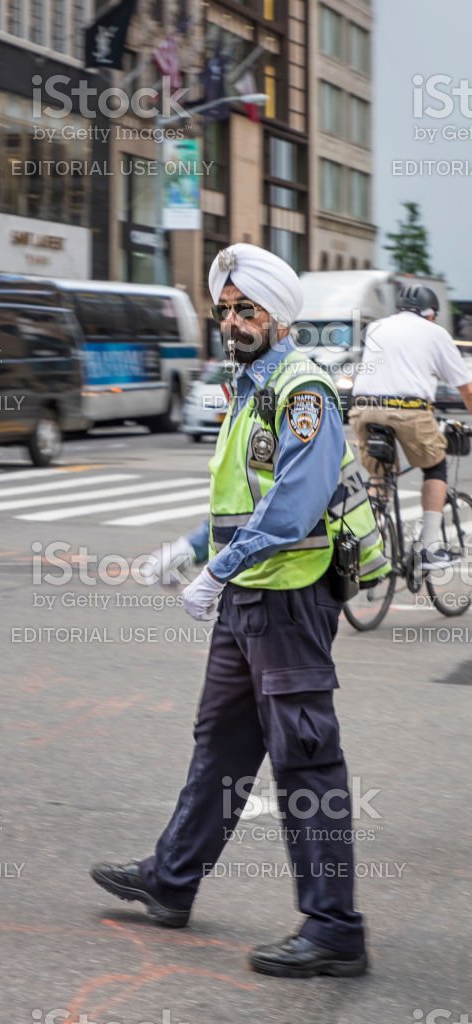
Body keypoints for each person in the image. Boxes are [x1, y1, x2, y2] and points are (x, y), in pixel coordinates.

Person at [90, 244, 389, 979]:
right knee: (221, 744)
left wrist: (215, 571)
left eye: (246, 308)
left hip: (288, 594)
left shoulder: (301, 386)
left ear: (277, 315)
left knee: (306, 759)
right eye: (225, 309)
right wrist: (188, 549)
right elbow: (242, 501)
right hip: (247, 593)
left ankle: (333, 928)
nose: (233, 320)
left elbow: (292, 505)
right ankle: (170, 879)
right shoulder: (249, 384)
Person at [350, 285, 472, 568]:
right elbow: (465, 388)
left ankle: (368, 544)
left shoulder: (377, 327)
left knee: (380, 475)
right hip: (407, 410)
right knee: (435, 466)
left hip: (363, 409)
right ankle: (428, 547)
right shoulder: (435, 333)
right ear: (431, 314)